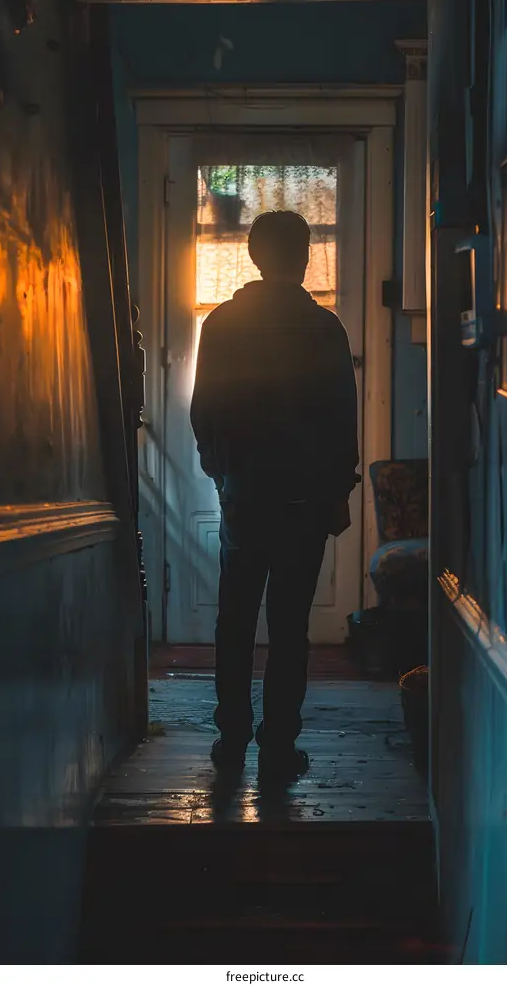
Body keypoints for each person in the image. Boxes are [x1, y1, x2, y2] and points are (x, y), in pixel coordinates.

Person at [190, 210, 360, 780]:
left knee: (234, 620)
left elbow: (203, 411)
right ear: (305, 255)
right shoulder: (325, 328)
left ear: (255, 257)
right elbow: (342, 421)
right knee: (290, 626)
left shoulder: (221, 324)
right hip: (305, 501)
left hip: (245, 493)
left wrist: (221, 473)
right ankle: (279, 744)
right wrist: (338, 488)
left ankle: (231, 735)